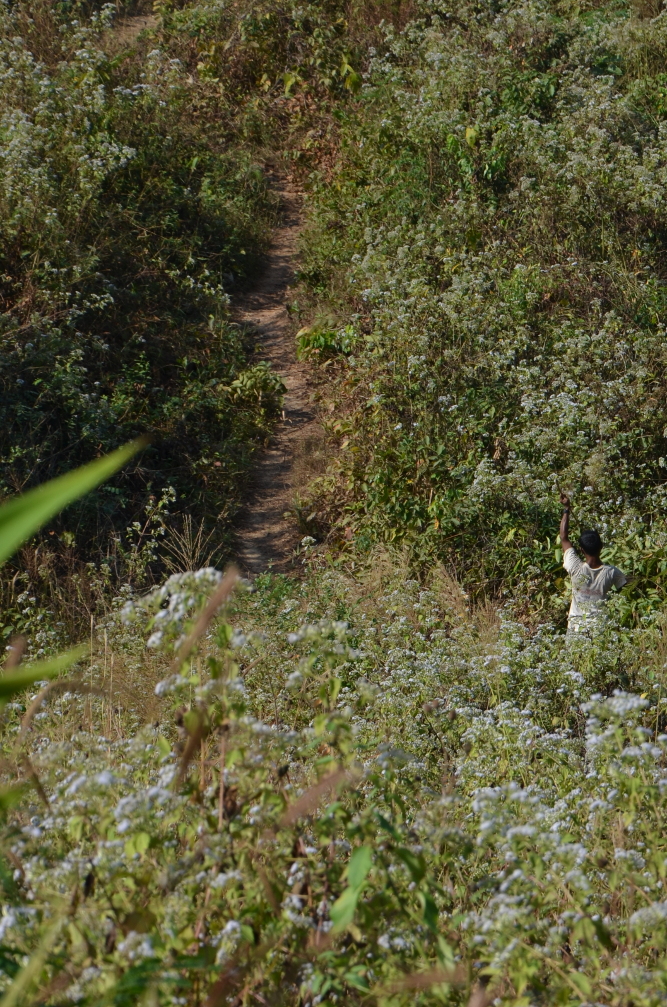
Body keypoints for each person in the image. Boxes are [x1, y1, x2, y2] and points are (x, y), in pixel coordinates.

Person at [559, 492, 627, 633]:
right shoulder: (612, 572)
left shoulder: (575, 566)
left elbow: (564, 537)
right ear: (601, 547)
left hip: (576, 627)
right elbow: (627, 586)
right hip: (599, 629)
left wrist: (567, 509)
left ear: (582, 550)